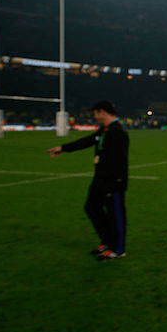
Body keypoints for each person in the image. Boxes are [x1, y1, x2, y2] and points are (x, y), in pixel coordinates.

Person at [46, 100, 129, 260]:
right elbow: (87, 141)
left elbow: (119, 161)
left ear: (102, 112)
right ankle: (107, 241)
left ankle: (118, 249)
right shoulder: (104, 130)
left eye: (95, 113)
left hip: (113, 181)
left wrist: (107, 171)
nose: (94, 116)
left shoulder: (117, 132)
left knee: (116, 215)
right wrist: (63, 148)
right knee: (91, 208)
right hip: (100, 179)